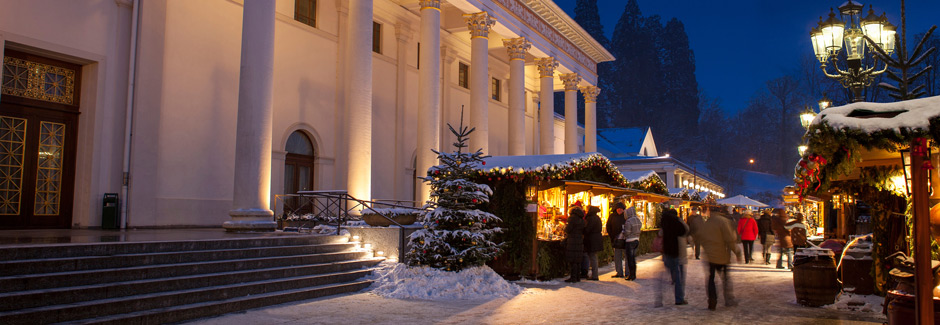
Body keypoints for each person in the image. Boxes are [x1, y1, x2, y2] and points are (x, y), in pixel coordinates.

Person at [698, 206, 742, 310]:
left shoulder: (707, 222)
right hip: (722, 255)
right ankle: (729, 299)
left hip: (710, 256)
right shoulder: (724, 221)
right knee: (726, 278)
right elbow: (730, 239)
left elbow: (701, 237)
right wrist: (737, 252)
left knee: (711, 279)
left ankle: (712, 301)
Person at [660, 209, 689, 305]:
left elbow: (660, 234)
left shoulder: (664, 223)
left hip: (667, 252)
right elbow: (684, 230)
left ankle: (660, 299)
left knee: (666, 276)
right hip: (677, 252)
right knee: (679, 278)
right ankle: (679, 298)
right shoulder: (677, 223)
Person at [564, 208, 586, 283]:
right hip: (579, 240)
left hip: (572, 240)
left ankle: (573, 277)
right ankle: (577, 276)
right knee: (577, 260)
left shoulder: (571, 219)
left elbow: (567, 229)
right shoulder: (582, 220)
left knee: (572, 260)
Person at [607, 202, 628, 278]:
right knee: (617, 256)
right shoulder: (612, 216)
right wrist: (612, 236)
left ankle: (627, 272)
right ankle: (619, 272)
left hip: (625, 239)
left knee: (626, 256)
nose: (619, 210)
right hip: (616, 239)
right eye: (618, 208)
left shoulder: (626, 216)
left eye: (621, 209)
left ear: (623, 209)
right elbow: (608, 226)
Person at [583, 206, 603, 281]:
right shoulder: (597, 218)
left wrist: (583, 230)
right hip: (596, 239)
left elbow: (588, 229)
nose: (586, 211)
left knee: (592, 257)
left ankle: (594, 275)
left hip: (592, 239)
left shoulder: (591, 218)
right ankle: (594, 274)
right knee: (593, 256)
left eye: (587, 210)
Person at [623, 206, 643, 281]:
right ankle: (634, 273)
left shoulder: (629, 221)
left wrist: (624, 232)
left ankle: (631, 275)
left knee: (630, 259)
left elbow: (627, 232)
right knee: (633, 258)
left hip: (630, 241)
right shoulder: (637, 220)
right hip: (637, 240)